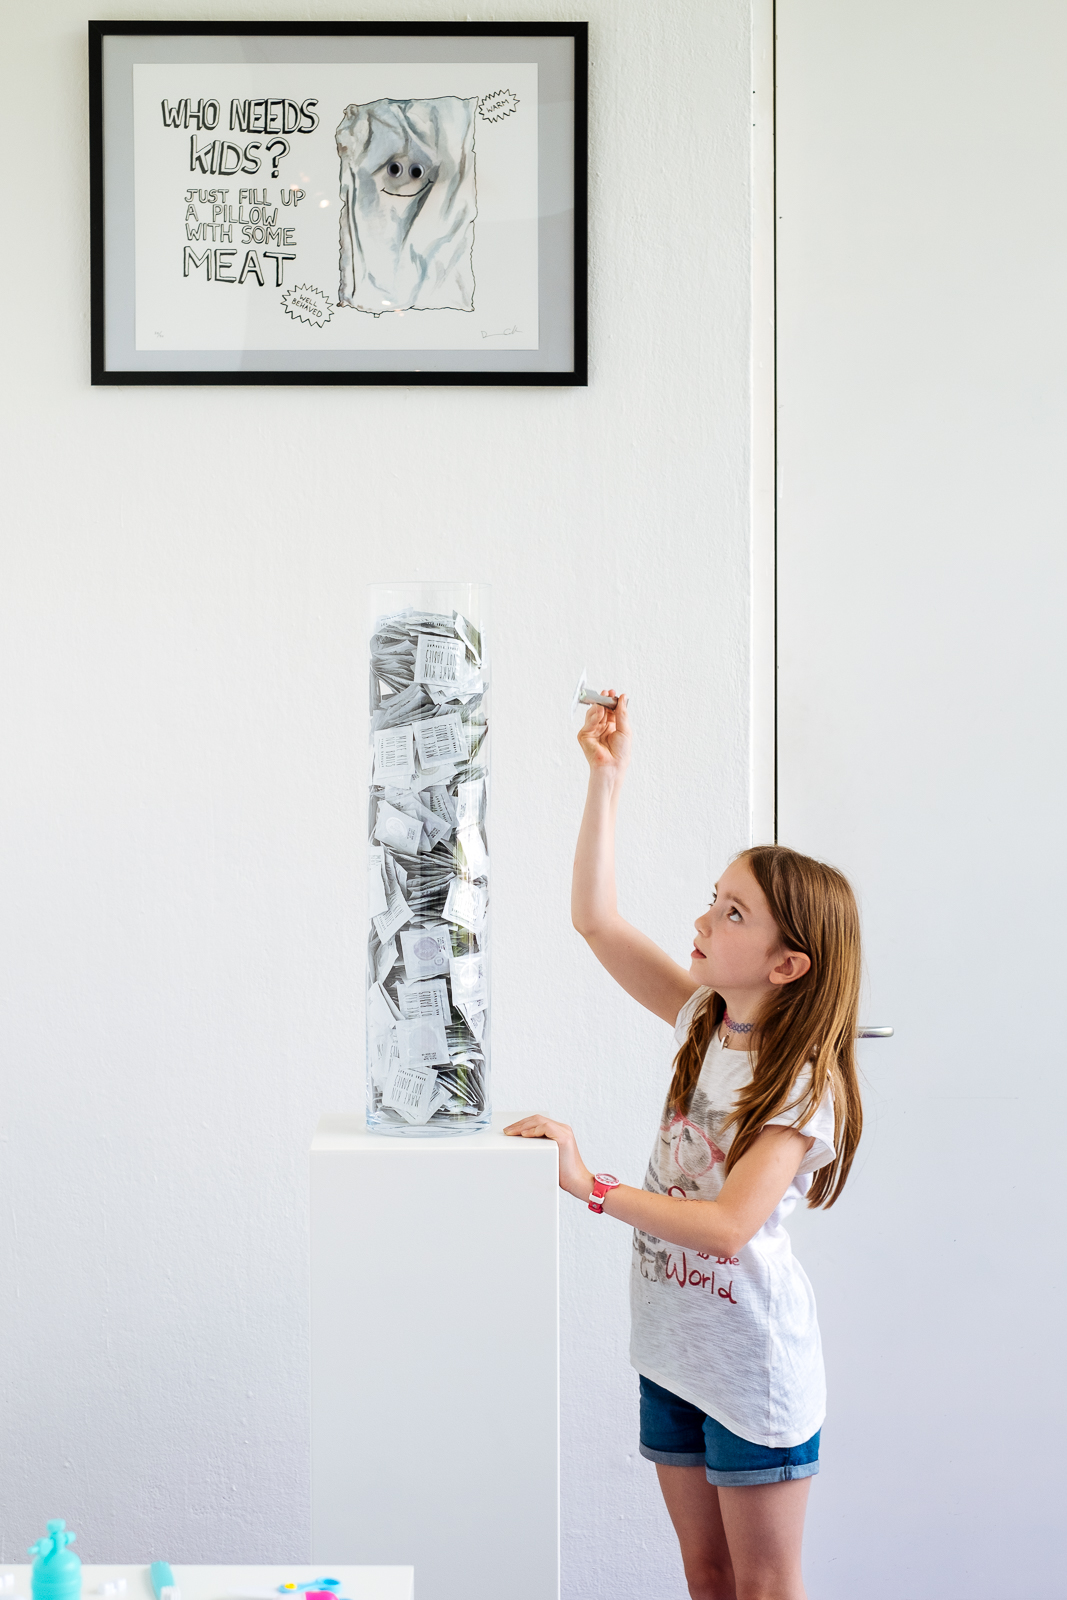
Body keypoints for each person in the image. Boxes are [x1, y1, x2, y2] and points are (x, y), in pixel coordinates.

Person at [505, 691, 863, 1600]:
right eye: (713, 900)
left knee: (763, 1586)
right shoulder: (702, 1022)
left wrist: (589, 1185)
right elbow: (596, 920)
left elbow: (727, 1227)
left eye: (732, 914)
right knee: (707, 1578)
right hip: (671, 1354)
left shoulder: (799, 1085)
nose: (703, 921)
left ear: (787, 965)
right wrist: (606, 778)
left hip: (751, 1372)